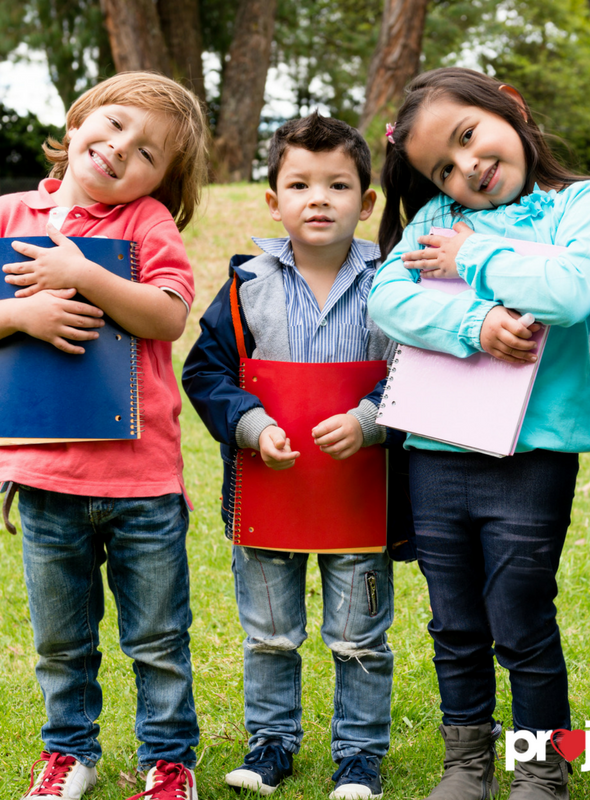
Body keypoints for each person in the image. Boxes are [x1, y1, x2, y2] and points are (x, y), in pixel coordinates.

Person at [368, 67, 590, 800]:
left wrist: (471, 258)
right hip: (437, 450)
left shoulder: (579, 204)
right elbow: (389, 297)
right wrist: (471, 323)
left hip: (534, 453)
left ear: (508, 107)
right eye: (442, 166)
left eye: (468, 136)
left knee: (522, 615)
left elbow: (573, 289)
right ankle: (465, 763)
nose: (465, 167)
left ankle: (544, 765)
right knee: (453, 620)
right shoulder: (432, 221)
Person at [0, 72, 208, 800]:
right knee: (61, 643)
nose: (122, 148)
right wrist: (21, 317)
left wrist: (82, 272)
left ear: (163, 179)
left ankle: (168, 760)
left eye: (148, 151)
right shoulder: (9, 214)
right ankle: (69, 755)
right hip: (45, 479)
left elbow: (166, 316)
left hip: (142, 482)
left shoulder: (146, 223)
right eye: (115, 124)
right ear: (80, 116)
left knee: (157, 639)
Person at [182, 112, 397, 800]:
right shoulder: (247, 286)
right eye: (300, 184)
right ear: (274, 201)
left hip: (358, 496)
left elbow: (419, 373)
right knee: (270, 635)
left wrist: (369, 419)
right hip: (269, 493)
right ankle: (271, 745)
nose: (319, 198)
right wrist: (247, 423)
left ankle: (358, 756)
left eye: (338, 185)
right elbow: (206, 371)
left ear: (366, 202)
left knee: (359, 635)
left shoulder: (392, 287)